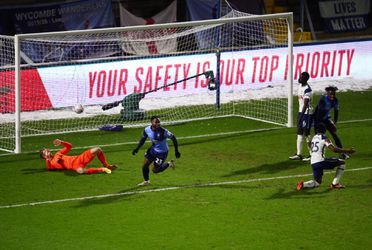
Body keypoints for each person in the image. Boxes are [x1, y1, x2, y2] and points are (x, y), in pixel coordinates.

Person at [296, 123, 355, 190]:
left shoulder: (314, 138)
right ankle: (335, 184)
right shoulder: (324, 138)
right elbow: (334, 149)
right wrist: (347, 150)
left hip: (313, 162)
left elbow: (310, 145)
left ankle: (303, 184)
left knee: (318, 182)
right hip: (321, 161)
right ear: (325, 130)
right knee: (342, 162)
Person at [132, 116, 181, 186]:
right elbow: (143, 139)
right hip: (153, 150)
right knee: (145, 165)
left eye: (159, 122)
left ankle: (169, 163)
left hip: (162, 153)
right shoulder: (147, 129)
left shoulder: (164, 131)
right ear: (151, 122)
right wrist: (137, 148)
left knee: (155, 170)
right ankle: (146, 181)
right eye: (156, 122)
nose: (158, 123)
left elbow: (174, 138)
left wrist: (176, 151)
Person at [40, 139, 117, 174]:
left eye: (46, 150)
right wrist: (48, 159)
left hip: (78, 158)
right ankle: (103, 169)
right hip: (74, 166)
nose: (47, 152)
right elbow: (59, 167)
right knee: (80, 171)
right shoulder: (51, 164)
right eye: (45, 153)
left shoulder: (58, 153)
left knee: (98, 149)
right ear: (44, 157)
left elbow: (69, 147)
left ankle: (106, 165)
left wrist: (61, 142)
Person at [313, 85, 347, 159]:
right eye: (330, 94)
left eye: (333, 94)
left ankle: (342, 153)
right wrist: (318, 124)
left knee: (334, 135)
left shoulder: (335, 100)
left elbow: (336, 111)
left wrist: (334, 123)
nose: (332, 95)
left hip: (326, 119)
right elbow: (319, 113)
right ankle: (316, 155)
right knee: (318, 138)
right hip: (318, 119)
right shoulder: (322, 100)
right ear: (327, 93)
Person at [289, 71, 313, 161]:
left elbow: (306, 104)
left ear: (306, 79)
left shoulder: (308, 90)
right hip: (301, 112)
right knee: (299, 132)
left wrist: (301, 116)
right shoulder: (300, 86)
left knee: (306, 133)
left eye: (301, 77)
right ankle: (299, 154)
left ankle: (311, 154)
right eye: (299, 76)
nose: (299, 78)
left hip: (307, 113)